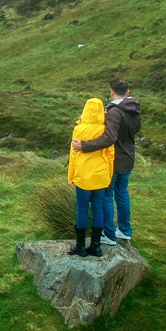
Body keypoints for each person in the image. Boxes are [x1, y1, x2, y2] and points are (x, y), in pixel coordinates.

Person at [72, 78, 141, 245]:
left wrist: (84, 145)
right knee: (122, 194)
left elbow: (109, 138)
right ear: (128, 92)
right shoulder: (134, 110)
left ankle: (109, 234)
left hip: (114, 161)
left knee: (107, 197)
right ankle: (124, 230)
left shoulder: (114, 112)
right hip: (129, 158)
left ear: (111, 92)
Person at [67, 97, 115, 257]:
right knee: (98, 208)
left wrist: (71, 175)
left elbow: (73, 155)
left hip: (83, 177)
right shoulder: (105, 130)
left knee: (82, 209)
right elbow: (110, 155)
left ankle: (80, 247)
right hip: (100, 176)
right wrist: (109, 176)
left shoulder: (79, 130)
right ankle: (96, 246)